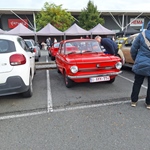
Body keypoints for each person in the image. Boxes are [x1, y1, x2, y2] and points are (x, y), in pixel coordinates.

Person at [130, 21, 150, 109]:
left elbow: (133, 49)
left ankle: (134, 101)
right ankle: (148, 103)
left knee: (137, 82)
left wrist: (136, 59)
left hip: (141, 62)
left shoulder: (141, 35)